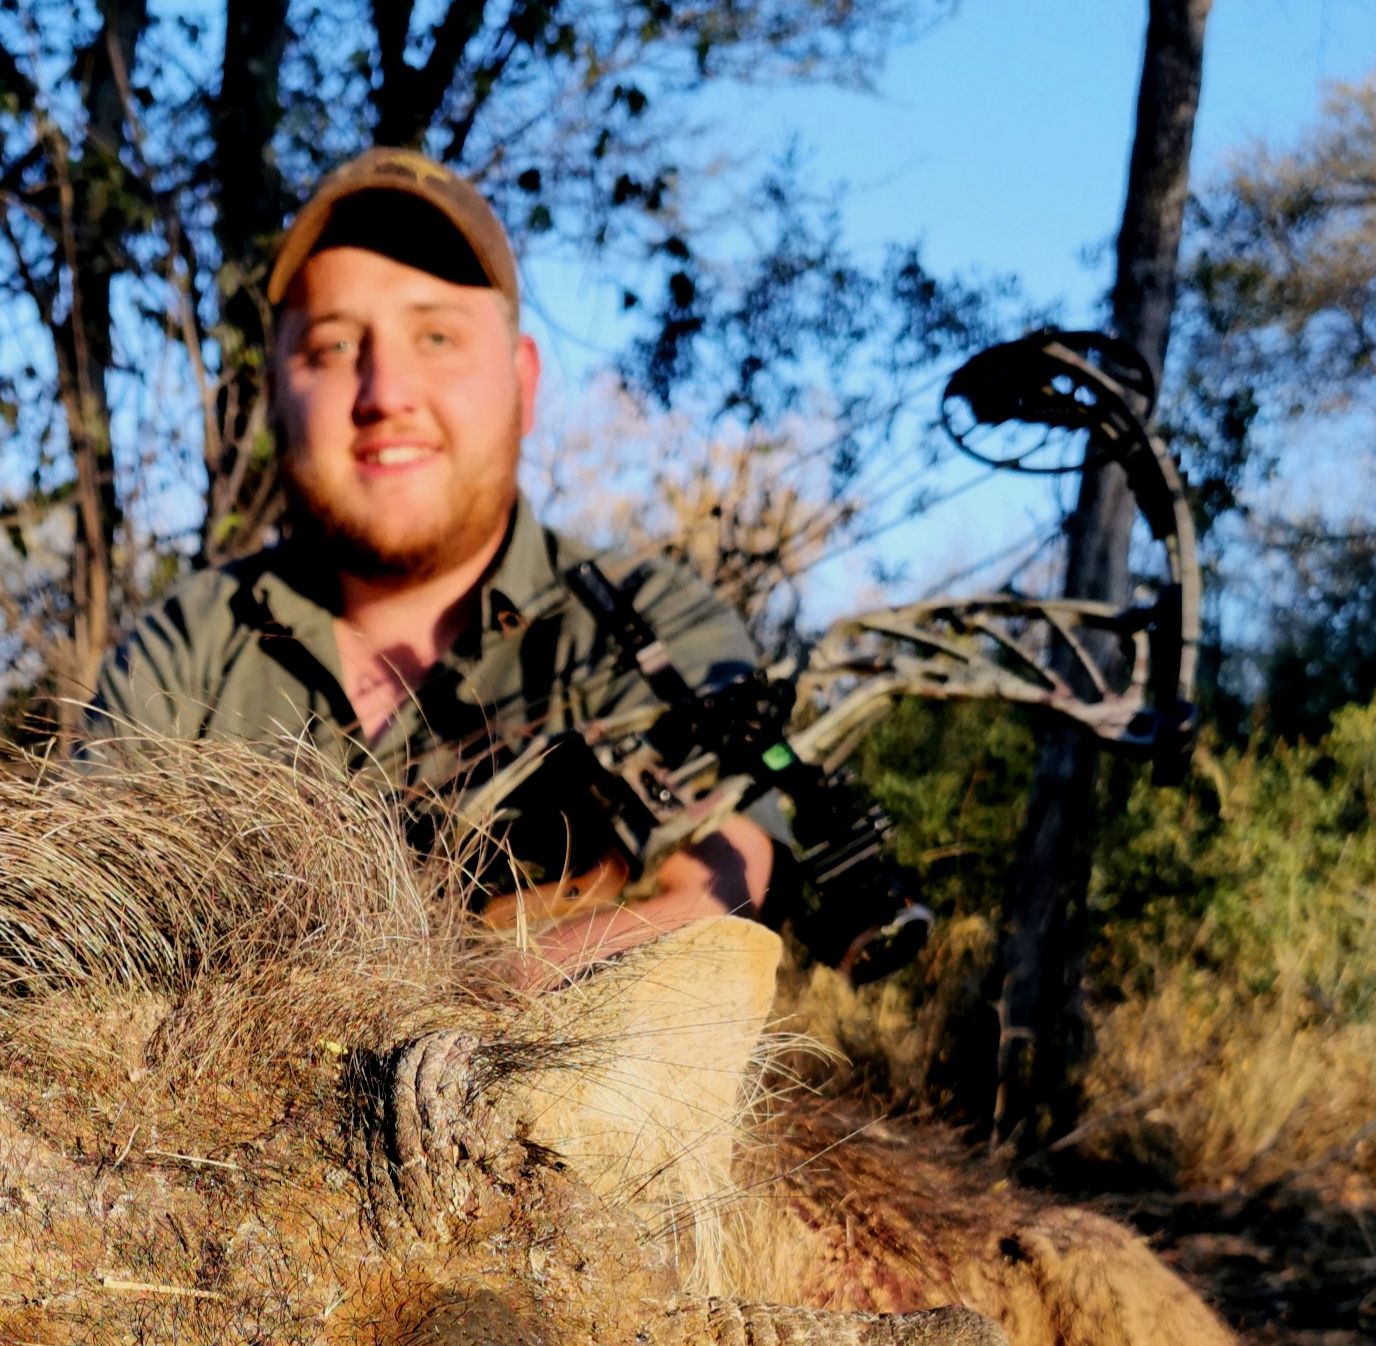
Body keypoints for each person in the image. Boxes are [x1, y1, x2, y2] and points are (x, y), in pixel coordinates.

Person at [86, 145, 928, 980]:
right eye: (334, 347)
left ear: (524, 385)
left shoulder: (657, 622)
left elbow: (706, 908)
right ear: (276, 392)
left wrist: (417, 1011)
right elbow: (86, 940)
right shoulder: (183, 646)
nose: (385, 393)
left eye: (438, 336)